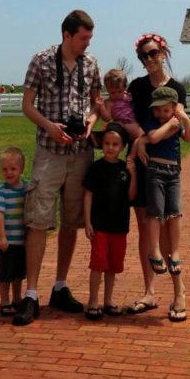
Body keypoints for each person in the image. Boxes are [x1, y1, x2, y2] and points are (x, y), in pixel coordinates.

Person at [12, 9, 103, 326]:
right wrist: (49, 127)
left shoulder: (90, 64)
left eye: (90, 38)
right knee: (38, 219)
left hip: (80, 152)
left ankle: (60, 286)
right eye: (83, 38)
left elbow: (96, 102)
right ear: (66, 35)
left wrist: (91, 122)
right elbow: (26, 105)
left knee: (72, 220)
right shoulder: (40, 60)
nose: (87, 44)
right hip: (49, 152)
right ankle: (32, 293)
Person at [125, 32, 188, 315]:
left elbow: (178, 123)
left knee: (166, 227)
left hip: (165, 165)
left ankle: (179, 293)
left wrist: (146, 138)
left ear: (163, 53)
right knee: (145, 227)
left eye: (152, 53)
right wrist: (138, 139)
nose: (148, 59)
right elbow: (126, 117)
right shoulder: (137, 87)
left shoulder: (177, 88)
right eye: (143, 56)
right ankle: (149, 292)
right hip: (142, 163)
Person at [139, 86, 190, 322]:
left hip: (173, 172)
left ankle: (176, 251)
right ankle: (154, 250)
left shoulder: (176, 121)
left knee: (174, 213)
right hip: (155, 170)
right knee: (155, 214)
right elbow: (152, 138)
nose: (161, 113)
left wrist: (184, 120)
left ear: (173, 107)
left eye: (165, 110)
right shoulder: (155, 123)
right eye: (158, 110)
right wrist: (169, 125)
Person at [82, 121, 137, 320]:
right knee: (98, 264)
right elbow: (88, 195)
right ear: (102, 145)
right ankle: (93, 301)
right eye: (107, 144)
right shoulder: (96, 168)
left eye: (115, 144)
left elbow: (131, 196)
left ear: (122, 147)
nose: (110, 148)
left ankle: (108, 300)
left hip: (119, 225)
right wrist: (87, 222)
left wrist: (133, 174)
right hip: (100, 225)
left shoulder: (124, 169)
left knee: (113, 266)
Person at [0, 146, 28, 316]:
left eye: (13, 169)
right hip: (8, 242)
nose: (9, 173)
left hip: (23, 241)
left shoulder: (27, 188)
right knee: (6, 273)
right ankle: (4, 301)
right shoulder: (1, 191)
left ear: (22, 169)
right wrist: (2, 238)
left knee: (19, 273)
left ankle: (17, 298)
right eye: (4, 169)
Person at [97, 68, 142, 143]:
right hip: (120, 124)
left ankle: (133, 152)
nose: (117, 95)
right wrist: (102, 106)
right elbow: (107, 118)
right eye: (113, 92)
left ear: (125, 88)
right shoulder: (109, 102)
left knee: (141, 136)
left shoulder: (128, 97)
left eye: (120, 91)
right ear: (108, 90)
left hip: (131, 122)